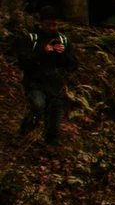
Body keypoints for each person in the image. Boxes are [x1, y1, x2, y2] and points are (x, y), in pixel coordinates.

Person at [13, 16, 75, 146]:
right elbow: (23, 61)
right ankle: (24, 133)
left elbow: (72, 65)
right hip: (34, 81)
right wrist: (43, 51)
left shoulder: (63, 40)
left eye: (54, 25)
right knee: (38, 105)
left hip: (55, 84)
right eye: (48, 25)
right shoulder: (30, 39)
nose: (52, 28)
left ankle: (51, 143)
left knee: (55, 112)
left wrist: (62, 53)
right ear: (41, 23)